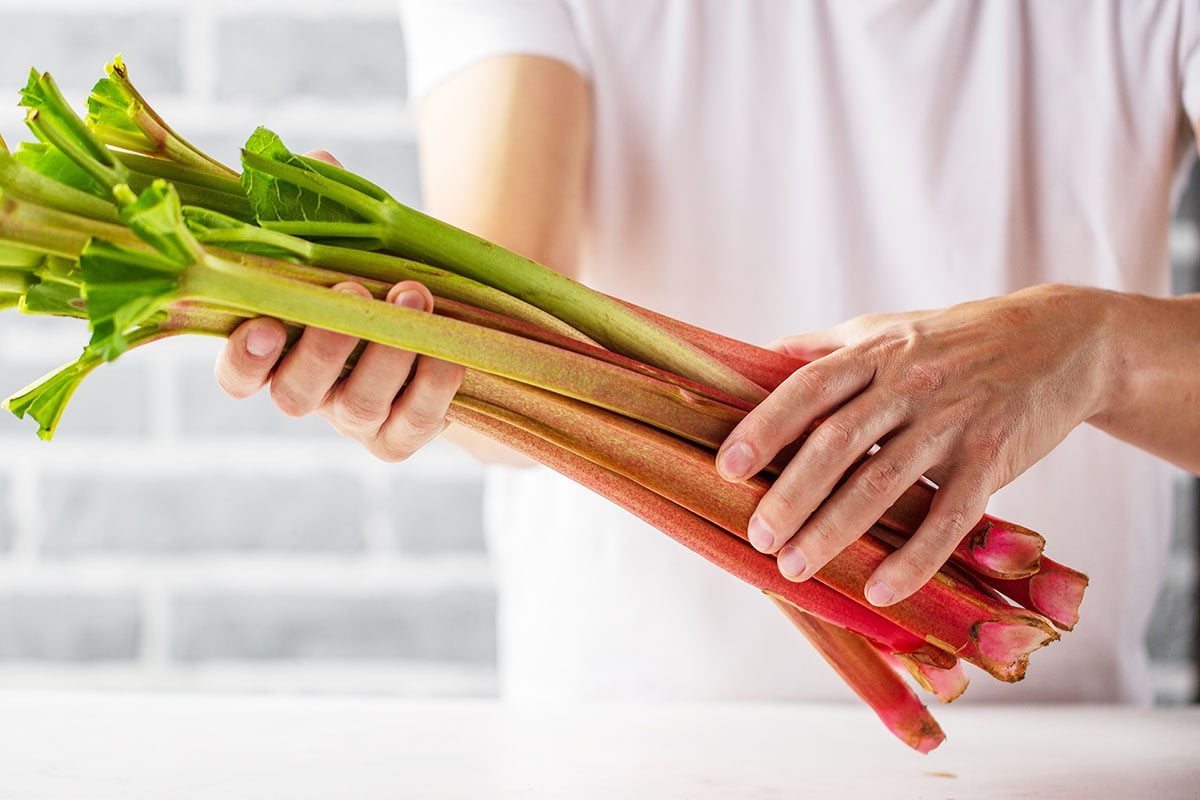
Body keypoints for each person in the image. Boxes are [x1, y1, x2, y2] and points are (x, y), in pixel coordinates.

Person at [215, 1, 1200, 703]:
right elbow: (511, 286)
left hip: (1065, 751)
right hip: (625, 732)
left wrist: (1096, 346)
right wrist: (417, 358)